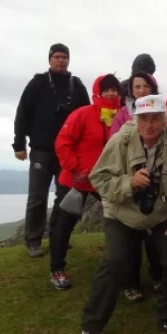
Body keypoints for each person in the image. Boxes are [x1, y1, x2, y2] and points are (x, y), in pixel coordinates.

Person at [82, 95, 167, 334]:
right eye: (144, 118)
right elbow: (98, 178)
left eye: (155, 118)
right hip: (121, 214)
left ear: (164, 119)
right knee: (116, 261)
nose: (150, 124)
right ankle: (92, 326)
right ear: (136, 119)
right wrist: (128, 183)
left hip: (160, 215)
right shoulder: (121, 141)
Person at [12, 43, 90, 258]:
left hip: (67, 153)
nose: (61, 60)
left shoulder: (77, 86)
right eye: (57, 56)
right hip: (41, 150)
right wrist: (19, 144)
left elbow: (88, 116)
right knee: (37, 197)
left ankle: (59, 236)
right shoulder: (37, 83)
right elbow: (23, 113)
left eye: (64, 57)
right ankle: (33, 241)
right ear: (49, 59)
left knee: (64, 196)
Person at [50, 74, 120, 289]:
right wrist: (75, 168)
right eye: (105, 89)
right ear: (97, 91)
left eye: (113, 89)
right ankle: (57, 270)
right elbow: (62, 142)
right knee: (64, 224)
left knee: (121, 218)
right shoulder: (83, 114)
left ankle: (121, 263)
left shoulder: (122, 117)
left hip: (105, 180)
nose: (110, 93)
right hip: (76, 180)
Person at [109, 72, 164, 300]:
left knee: (153, 233)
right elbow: (114, 143)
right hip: (129, 176)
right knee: (130, 237)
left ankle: (158, 275)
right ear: (131, 89)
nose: (141, 90)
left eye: (145, 86)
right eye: (137, 86)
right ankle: (131, 283)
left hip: (156, 176)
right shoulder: (123, 115)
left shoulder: (160, 112)